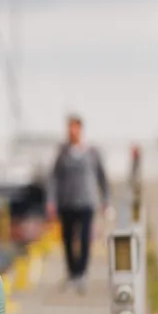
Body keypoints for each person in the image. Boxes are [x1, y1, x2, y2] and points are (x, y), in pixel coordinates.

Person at [45, 115, 109, 293]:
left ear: (80, 129)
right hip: (67, 203)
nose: (71, 132)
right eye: (69, 129)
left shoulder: (92, 152)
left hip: (87, 202)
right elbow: (54, 178)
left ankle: (82, 273)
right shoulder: (62, 153)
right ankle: (72, 273)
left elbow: (102, 177)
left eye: (74, 128)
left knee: (84, 239)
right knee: (67, 239)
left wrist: (106, 200)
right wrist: (51, 201)